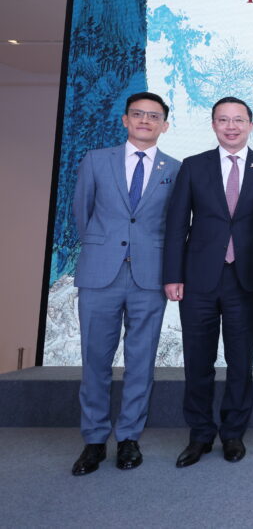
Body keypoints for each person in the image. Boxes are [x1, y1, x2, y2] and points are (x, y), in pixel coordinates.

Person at [163, 96, 253, 467]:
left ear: (250, 124)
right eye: (223, 120)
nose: (231, 126)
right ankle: (200, 434)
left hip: (245, 281)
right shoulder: (194, 166)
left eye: (238, 120)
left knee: (239, 361)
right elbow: (176, 224)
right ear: (213, 124)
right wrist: (172, 275)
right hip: (198, 279)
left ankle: (233, 433)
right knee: (197, 361)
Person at [71, 92, 181, 475]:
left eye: (154, 116)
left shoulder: (175, 168)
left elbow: (175, 225)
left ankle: (129, 437)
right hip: (100, 275)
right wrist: (104, 249)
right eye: (138, 114)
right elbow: (82, 214)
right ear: (125, 120)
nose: (145, 121)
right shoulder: (96, 160)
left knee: (141, 361)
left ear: (165, 125)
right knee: (95, 361)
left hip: (149, 277)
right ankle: (94, 440)